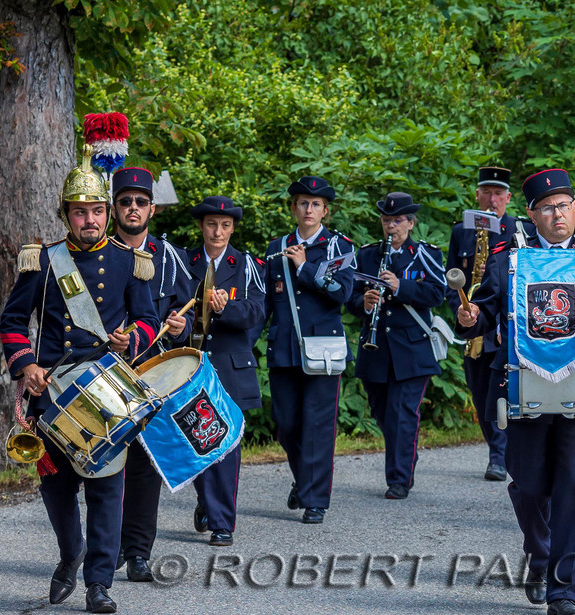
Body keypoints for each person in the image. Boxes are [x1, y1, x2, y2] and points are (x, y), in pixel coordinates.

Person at [455, 169, 575, 615]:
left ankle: (564, 589)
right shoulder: (509, 260)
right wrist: (470, 317)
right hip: (523, 384)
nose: (558, 214)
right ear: (533, 215)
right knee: (529, 483)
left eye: (565, 206)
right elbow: (485, 314)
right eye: (548, 208)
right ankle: (539, 558)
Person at [0, 122, 158, 615]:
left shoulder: (129, 261)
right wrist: (26, 365)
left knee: (108, 488)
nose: (88, 219)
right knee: (59, 486)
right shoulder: (43, 261)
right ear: (66, 215)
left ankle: (99, 582)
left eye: (95, 210)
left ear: (106, 213)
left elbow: (151, 320)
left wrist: (131, 338)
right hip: (52, 387)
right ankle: (71, 555)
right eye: (79, 211)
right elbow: (11, 320)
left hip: (107, 385)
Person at [108, 162, 191, 582]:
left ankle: (138, 551)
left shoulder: (172, 258)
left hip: (150, 372)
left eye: (141, 202)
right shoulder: (98, 252)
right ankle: (107, 547)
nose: (133, 208)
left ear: (152, 210)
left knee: (144, 466)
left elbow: (190, 317)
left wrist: (181, 327)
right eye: (125, 202)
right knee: (103, 462)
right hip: (102, 373)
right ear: (114, 207)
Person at [263, 176, 357, 524]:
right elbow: (266, 302)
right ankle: (304, 480)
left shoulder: (340, 247)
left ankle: (315, 499)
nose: (308, 209)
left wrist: (305, 267)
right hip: (285, 347)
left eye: (316, 204)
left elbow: (342, 293)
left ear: (325, 211)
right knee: (286, 424)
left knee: (318, 426)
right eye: (303, 203)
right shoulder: (277, 247)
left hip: (323, 349)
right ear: (293, 208)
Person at [353, 191, 448, 500]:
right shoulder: (367, 254)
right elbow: (348, 296)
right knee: (383, 414)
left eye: (396, 221)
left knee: (401, 413)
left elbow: (437, 294)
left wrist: (400, 286)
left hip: (412, 349)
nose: (390, 226)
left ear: (410, 222)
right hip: (376, 348)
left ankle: (398, 479)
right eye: (386, 220)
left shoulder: (425, 254)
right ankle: (405, 460)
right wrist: (363, 303)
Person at [186, 196, 266, 545]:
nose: (218, 232)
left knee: (226, 445)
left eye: (225, 226)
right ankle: (207, 501)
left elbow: (256, 312)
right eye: (211, 225)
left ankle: (222, 524)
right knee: (196, 441)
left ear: (232, 228)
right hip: (190, 364)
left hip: (229, 364)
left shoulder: (245, 263)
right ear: (201, 227)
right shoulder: (183, 260)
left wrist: (225, 309)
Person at [446, 167, 518, 481]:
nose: (492, 199)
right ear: (476, 195)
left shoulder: (519, 231)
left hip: (503, 327)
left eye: (498, 193)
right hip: (474, 326)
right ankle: (498, 451)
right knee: (479, 393)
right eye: (486, 192)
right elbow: (451, 278)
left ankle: (499, 458)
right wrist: (461, 314)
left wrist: (505, 325)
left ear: (508, 198)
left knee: (500, 392)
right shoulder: (461, 230)